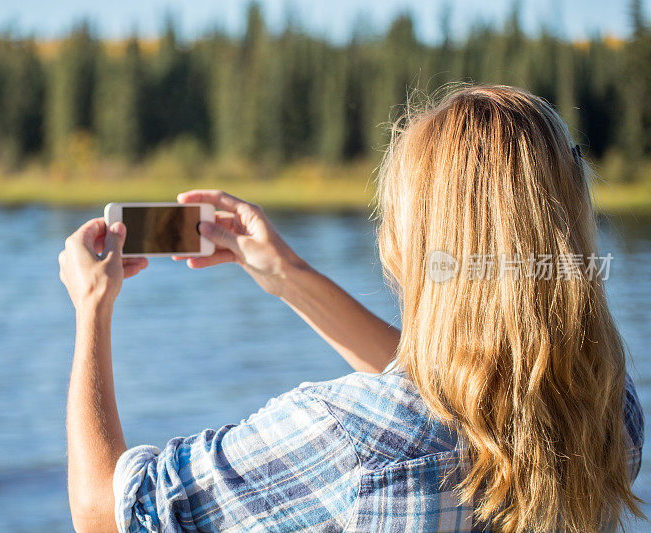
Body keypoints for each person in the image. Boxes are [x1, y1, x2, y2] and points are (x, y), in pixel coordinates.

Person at [58, 85, 644, 532]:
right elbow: (452, 396)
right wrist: (287, 276)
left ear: (408, 243)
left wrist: (92, 310)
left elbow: (107, 512)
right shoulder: (605, 406)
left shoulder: (347, 437)